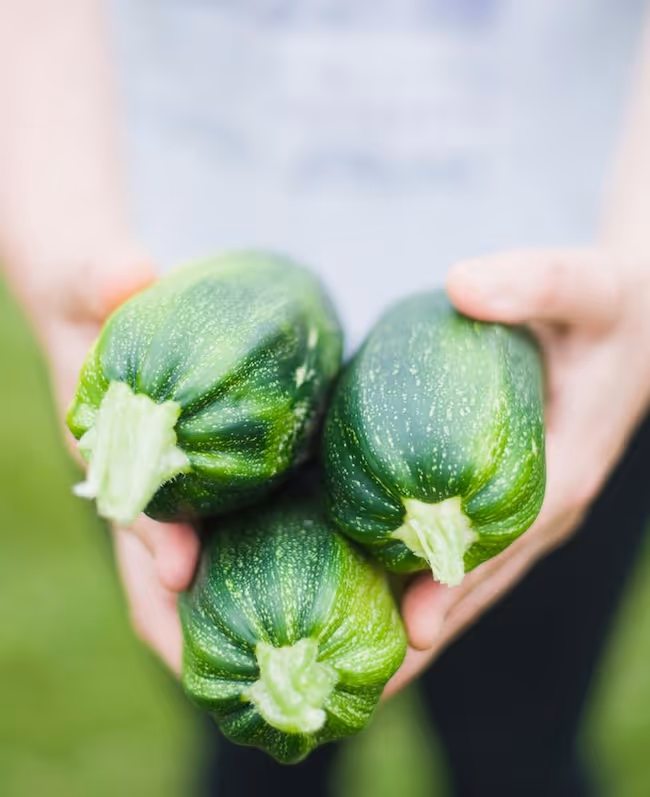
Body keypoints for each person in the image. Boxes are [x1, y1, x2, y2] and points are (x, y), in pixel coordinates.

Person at [2, 1, 650, 795]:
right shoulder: (147, 382)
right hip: (181, 285)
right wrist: (57, 223)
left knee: (519, 737)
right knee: (258, 753)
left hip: (574, 314)